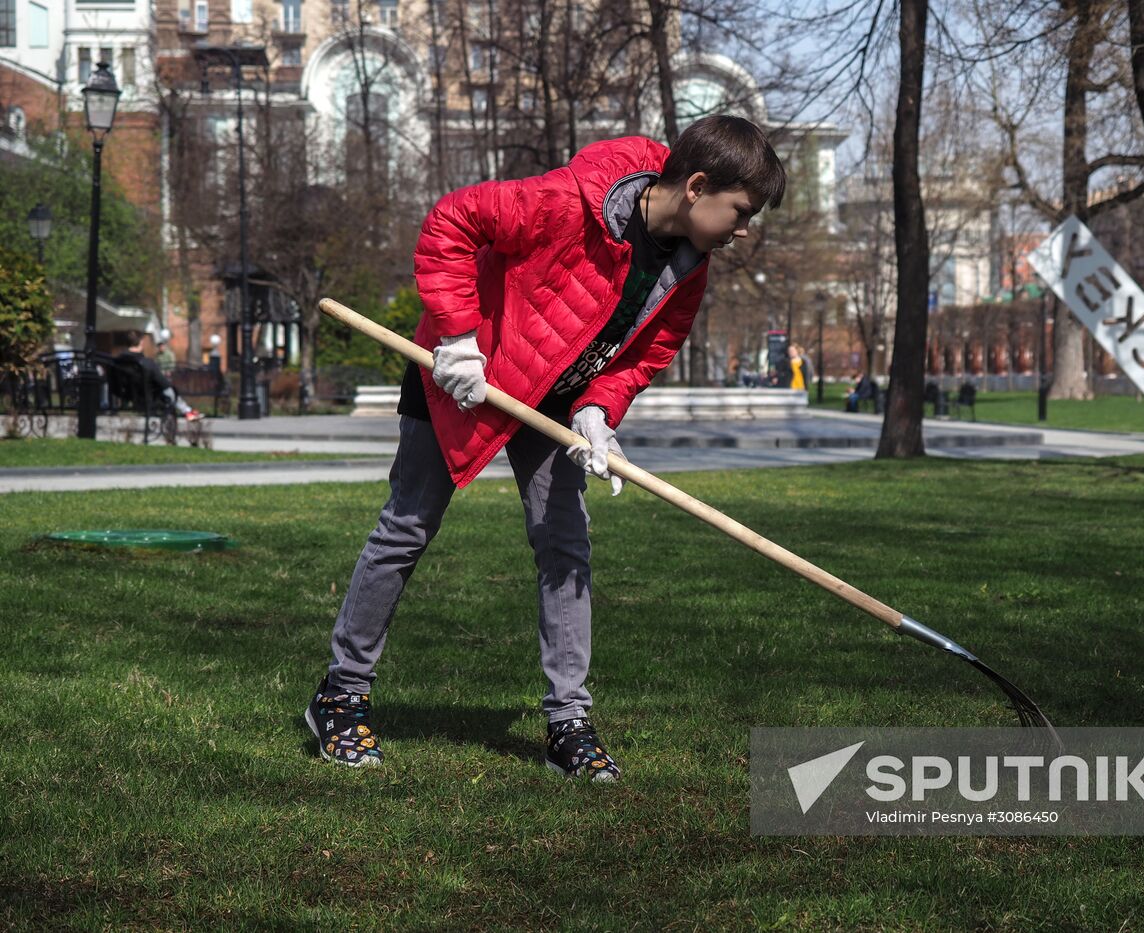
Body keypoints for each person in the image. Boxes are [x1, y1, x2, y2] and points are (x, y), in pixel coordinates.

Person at [306, 115, 786, 778]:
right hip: (463, 373)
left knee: (565, 544)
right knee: (406, 529)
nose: (742, 230)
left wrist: (597, 410)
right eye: (740, 212)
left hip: (557, 397)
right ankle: (340, 696)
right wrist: (456, 338)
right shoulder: (569, 203)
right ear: (698, 185)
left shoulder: (688, 267)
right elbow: (453, 219)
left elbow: (644, 355)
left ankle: (569, 721)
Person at [112, 330, 202, 421]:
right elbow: (163, 383)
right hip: (146, 397)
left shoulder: (118, 361)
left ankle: (188, 411)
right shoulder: (146, 363)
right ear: (141, 343)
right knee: (169, 390)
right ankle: (187, 411)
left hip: (125, 394)